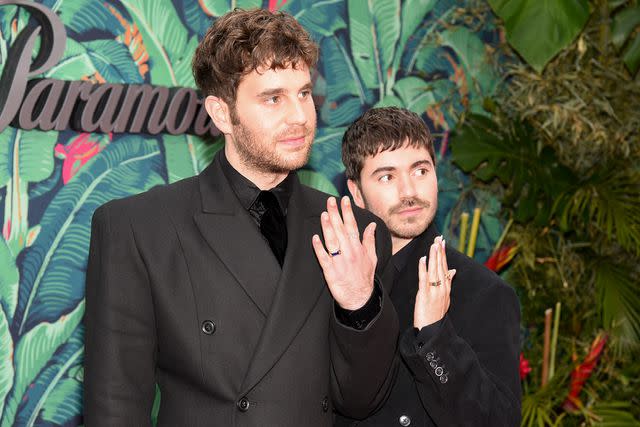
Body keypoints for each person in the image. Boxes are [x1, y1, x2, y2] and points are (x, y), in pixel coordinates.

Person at [83, 9, 398, 427]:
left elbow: (361, 402)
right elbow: (115, 409)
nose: (300, 117)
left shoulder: (354, 230)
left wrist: (360, 305)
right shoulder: (139, 229)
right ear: (220, 113)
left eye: (303, 93)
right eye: (273, 98)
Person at [336, 107, 521, 427]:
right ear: (356, 193)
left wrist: (435, 337)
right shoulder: (330, 280)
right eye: (387, 176)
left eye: (420, 171)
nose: (409, 192)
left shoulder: (485, 293)